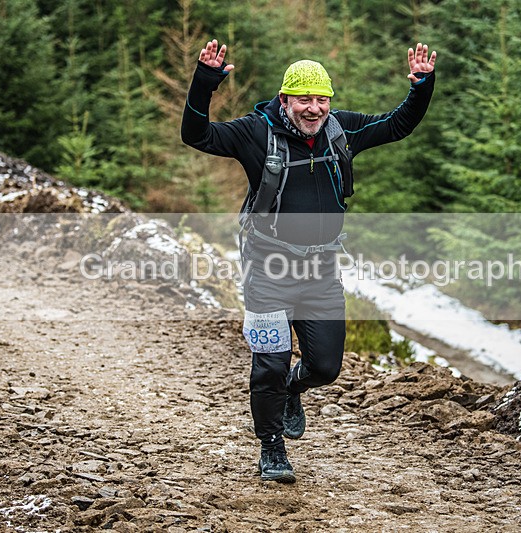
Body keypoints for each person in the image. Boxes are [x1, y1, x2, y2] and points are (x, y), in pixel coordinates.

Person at [181, 39, 435, 482]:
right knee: (269, 365)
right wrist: (205, 82)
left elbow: (397, 125)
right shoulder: (256, 132)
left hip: (320, 270)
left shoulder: (340, 130)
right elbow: (197, 134)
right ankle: (271, 447)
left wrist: (421, 87)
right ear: (285, 100)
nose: (314, 108)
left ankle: (292, 390)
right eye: (304, 99)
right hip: (268, 270)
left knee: (325, 367)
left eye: (321, 99)